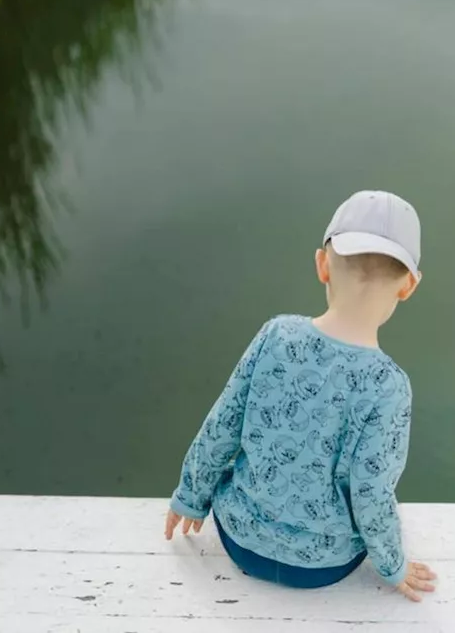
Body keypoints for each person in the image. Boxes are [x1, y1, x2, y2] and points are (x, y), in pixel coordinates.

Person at [163, 190, 438, 601]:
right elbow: (371, 491)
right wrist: (393, 566)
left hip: (240, 540)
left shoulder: (275, 335)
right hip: (322, 566)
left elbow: (224, 422)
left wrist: (190, 495)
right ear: (408, 287)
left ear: (322, 265)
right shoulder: (388, 385)